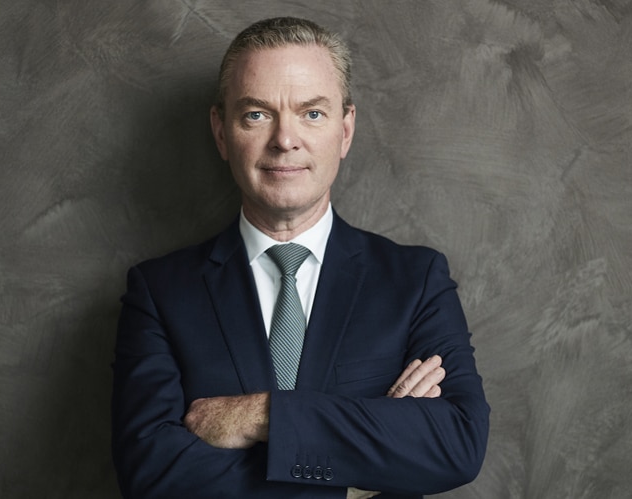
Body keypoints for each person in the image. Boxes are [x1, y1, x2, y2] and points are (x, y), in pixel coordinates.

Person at [111, 16, 489, 499]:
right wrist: (353, 475)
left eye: (312, 113)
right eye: (256, 114)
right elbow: (152, 473)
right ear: (221, 132)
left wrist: (262, 415)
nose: (285, 139)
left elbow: (456, 442)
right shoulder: (159, 292)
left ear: (345, 130)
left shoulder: (416, 281)